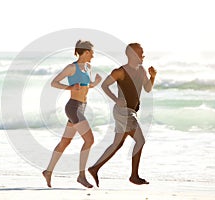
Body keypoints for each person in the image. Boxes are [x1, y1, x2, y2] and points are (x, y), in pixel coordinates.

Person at [88, 43, 157, 187]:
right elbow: (104, 85)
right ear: (132, 55)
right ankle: (134, 176)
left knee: (117, 144)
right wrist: (116, 99)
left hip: (130, 112)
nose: (143, 56)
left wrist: (153, 77)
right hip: (123, 112)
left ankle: (95, 168)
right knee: (140, 140)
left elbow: (148, 89)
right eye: (140, 53)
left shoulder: (142, 70)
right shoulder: (121, 72)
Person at [42, 40, 102, 188]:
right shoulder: (71, 68)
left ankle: (48, 171)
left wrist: (95, 83)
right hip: (73, 107)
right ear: (86, 52)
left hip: (82, 107)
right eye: (92, 53)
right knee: (89, 140)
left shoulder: (88, 67)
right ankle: (81, 176)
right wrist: (69, 87)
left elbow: (85, 86)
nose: (93, 56)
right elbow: (54, 83)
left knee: (65, 142)